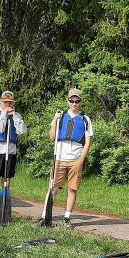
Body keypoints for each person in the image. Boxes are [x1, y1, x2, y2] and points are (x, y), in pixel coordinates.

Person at [38, 88, 93, 227]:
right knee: (53, 187)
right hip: (60, 158)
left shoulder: (85, 119)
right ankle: (45, 216)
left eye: (77, 101)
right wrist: (55, 120)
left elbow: (88, 142)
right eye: (72, 100)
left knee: (72, 188)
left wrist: (81, 159)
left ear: (80, 102)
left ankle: (67, 218)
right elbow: (52, 137)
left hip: (76, 159)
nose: (74, 103)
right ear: (68, 101)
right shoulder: (60, 116)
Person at [0, 90, 27, 222]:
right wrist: (4, 114)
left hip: (10, 152)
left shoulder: (16, 115)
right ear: (0, 102)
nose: (8, 104)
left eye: (10, 102)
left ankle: (3, 210)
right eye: (5, 102)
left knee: (6, 183)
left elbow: (22, 131)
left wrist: (15, 117)